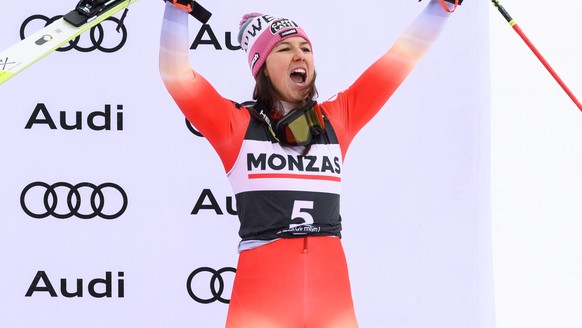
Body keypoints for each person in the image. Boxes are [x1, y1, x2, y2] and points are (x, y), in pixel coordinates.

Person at [159, 0, 461, 326]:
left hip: (331, 298)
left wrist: (441, 8)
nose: (299, 54)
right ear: (261, 67)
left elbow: (399, 59)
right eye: (284, 49)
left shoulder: (337, 119)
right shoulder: (236, 127)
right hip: (263, 300)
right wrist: (177, 9)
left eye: (305, 47)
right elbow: (177, 75)